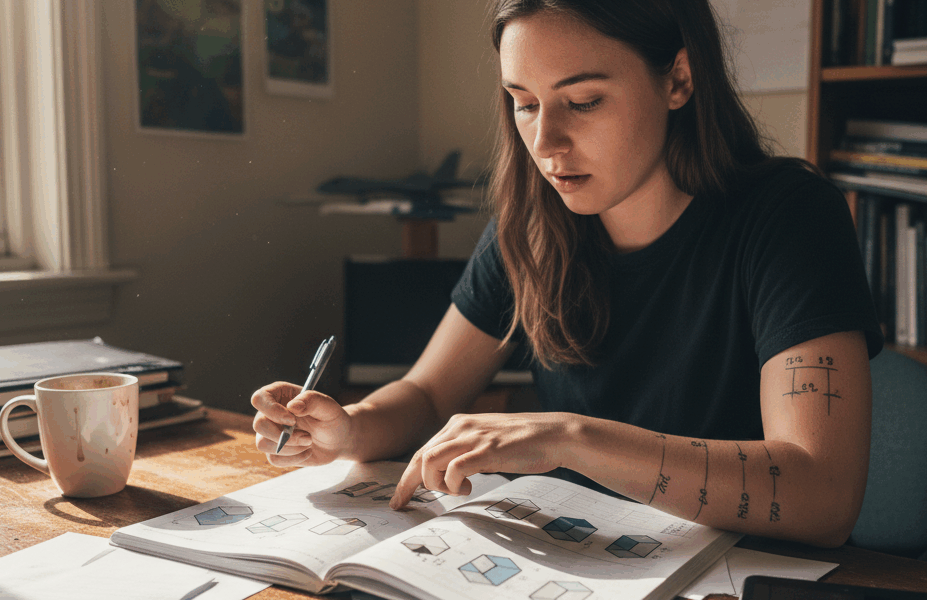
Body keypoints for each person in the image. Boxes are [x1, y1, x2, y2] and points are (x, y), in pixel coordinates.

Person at [251, 0, 883, 548]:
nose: (546, 141)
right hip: (588, 558)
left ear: (680, 79)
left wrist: (570, 439)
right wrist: (348, 428)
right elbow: (430, 396)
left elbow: (821, 494)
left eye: (582, 101)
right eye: (524, 103)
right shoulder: (531, 224)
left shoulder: (790, 217)